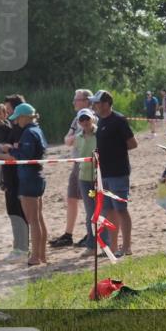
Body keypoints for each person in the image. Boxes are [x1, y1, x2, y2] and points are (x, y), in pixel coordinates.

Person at [0, 104, 49, 265]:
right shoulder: (38, 130)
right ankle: (41, 255)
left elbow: (24, 155)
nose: (16, 122)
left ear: (24, 117)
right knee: (39, 218)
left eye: (17, 118)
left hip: (28, 178)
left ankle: (35, 257)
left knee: (32, 220)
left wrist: (10, 150)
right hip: (38, 176)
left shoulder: (28, 132)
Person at [90, 90, 138, 256]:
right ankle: (112, 246)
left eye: (96, 103)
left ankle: (127, 247)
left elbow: (133, 144)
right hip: (105, 173)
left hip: (118, 172)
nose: (94, 106)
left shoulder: (118, 120)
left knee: (121, 209)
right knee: (108, 211)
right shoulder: (101, 121)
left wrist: (114, 151)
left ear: (105, 104)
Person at [51, 89, 93, 248]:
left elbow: (83, 138)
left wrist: (75, 139)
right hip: (77, 161)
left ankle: (91, 233)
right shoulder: (77, 119)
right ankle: (68, 234)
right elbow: (67, 140)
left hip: (88, 163)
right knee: (71, 198)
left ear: (86, 100)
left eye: (77, 99)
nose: (74, 102)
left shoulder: (90, 117)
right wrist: (76, 138)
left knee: (90, 201)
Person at [0, 95, 29, 260]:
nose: (5, 114)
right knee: (14, 211)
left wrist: (0, 155)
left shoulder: (20, 130)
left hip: (17, 177)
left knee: (19, 212)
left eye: (7, 110)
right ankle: (18, 247)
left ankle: (21, 249)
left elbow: (15, 156)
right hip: (9, 177)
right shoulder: (11, 128)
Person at [73, 108, 101, 255]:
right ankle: (91, 245)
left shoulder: (100, 133)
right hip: (84, 178)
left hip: (100, 177)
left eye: (87, 119)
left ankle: (106, 243)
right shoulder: (78, 138)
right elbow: (78, 159)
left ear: (92, 119)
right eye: (81, 119)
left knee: (103, 210)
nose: (84, 122)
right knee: (90, 212)